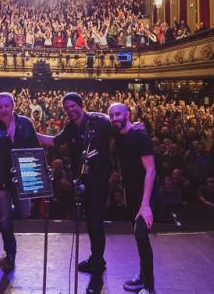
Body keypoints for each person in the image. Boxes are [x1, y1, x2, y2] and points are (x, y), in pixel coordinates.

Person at [37, 92, 113, 293]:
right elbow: (54, 141)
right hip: (82, 182)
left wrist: (134, 127)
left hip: (99, 182)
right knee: (90, 222)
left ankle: (96, 275)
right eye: (66, 108)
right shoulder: (70, 128)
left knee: (96, 224)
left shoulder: (100, 120)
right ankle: (98, 259)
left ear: (81, 105)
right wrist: (31, 133)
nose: (70, 110)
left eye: (73, 106)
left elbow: (119, 133)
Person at [0, 92, 40, 273]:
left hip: (22, 178)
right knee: (5, 218)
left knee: (23, 212)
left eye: (7, 106)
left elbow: (36, 150)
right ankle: (10, 252)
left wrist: (35, 180)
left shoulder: (26, 123)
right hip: (0, 180)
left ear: (13, 106)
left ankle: (3, 218)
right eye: (0, 106)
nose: (3, 110)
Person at [108, 103, 156, 294]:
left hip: (146, 194)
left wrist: (145, 204)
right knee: (138, 237)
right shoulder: (118, 134)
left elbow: (151, 170)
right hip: (132, 193)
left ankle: (149, 287)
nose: (114, 118)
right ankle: (143, 276)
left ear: (127, 114)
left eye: (118, 114)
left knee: (142, 237)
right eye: (111, 115)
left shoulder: (139, 134)